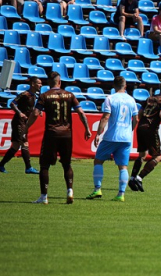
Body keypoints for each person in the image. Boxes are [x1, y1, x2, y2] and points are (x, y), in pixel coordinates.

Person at [26, 72, 91, 204]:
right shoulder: (70, 95)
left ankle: (44, 196)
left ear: (50, 82)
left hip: (52, 133)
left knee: (44, 165)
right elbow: (81, 112)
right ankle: (70, 191)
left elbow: (36, 113)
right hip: (67, 134)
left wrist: (26, 128)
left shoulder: (45, 96)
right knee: (67, 164)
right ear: (59, 82)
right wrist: (87, 128)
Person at [86, 76, 138, 202]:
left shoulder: (110, 99)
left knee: (98, 161)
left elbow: (105, 117)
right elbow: (136, 119)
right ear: (125, 86)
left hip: (111, 137)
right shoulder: (132, 100)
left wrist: (98, 134)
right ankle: (121, 194)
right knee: (123, 166)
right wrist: (129, 131)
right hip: (126, 138)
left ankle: (97, 189)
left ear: (114, 86)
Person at [130, 80, 161, 192]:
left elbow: (139, 114)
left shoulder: (149, 98)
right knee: (157, 157)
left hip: (141, 127)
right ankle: (139, 178)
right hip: (151, 129)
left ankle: (132, 178)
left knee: (142, 154)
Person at [0, 76, 42, 174]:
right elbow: (13, 104)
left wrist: (38, 111)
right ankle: (28, 168)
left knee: (15, 146)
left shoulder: (34, 95)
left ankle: (1, 165)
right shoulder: (25, 94)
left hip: (24, 123)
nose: (40, 85)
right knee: (24, 143)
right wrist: (19, 113)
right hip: (19, 122)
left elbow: (30, 108)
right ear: (33, 84)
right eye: (39, 83)